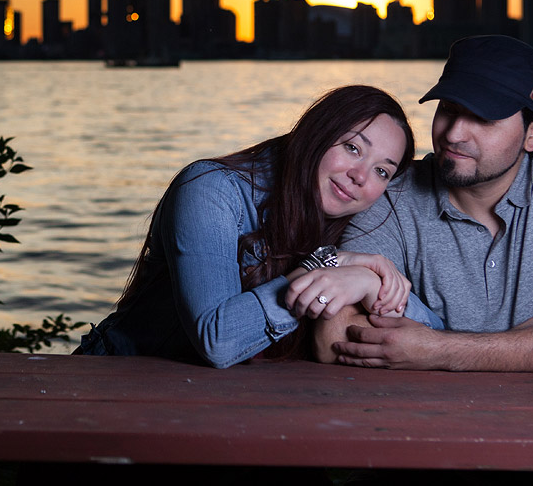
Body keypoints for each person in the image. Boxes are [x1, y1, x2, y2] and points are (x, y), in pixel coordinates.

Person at [317, 35, 533, 371]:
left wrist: (438, 350)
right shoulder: (391, 189)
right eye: (449, 109)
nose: (454, 134)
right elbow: (333, 337)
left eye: (483, 119)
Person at [77, 85, 444, 368]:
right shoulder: (211, 189)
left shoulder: (353, 214)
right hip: (117, 383)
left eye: (382, 170)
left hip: (232, 403)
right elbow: (216, 341)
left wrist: (367, 281)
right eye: (351, 147)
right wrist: (326, 266)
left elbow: (434, 331)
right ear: (316, 134)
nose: (360, 176)